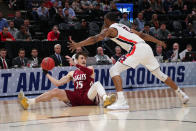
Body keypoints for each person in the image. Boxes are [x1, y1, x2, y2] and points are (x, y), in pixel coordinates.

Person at [68, 12, 189, 110]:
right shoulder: (124, 27)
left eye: (105, 21)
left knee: (114, 70)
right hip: (146, 48)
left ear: (108, 21)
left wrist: (79, 43)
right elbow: (143, 36)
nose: (104, 23)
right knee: (160, 75)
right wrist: (159, 42)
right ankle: (181, 94)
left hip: (137, 48)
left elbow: (95, 38)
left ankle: (121, 101)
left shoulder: (111, 29)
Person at [18, 52, 116, 109]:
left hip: (89, 96)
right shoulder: (72, 73)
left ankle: (105, 99)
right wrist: (46, 73)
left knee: (97, 83)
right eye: (81, 58)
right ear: (77, 60)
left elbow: (87, 71)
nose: (84, 60)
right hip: (77, 97)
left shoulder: (90, 68)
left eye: (85, 58)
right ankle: (29, 102)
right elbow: (58, 83)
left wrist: (75, 64)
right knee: (55, 91)